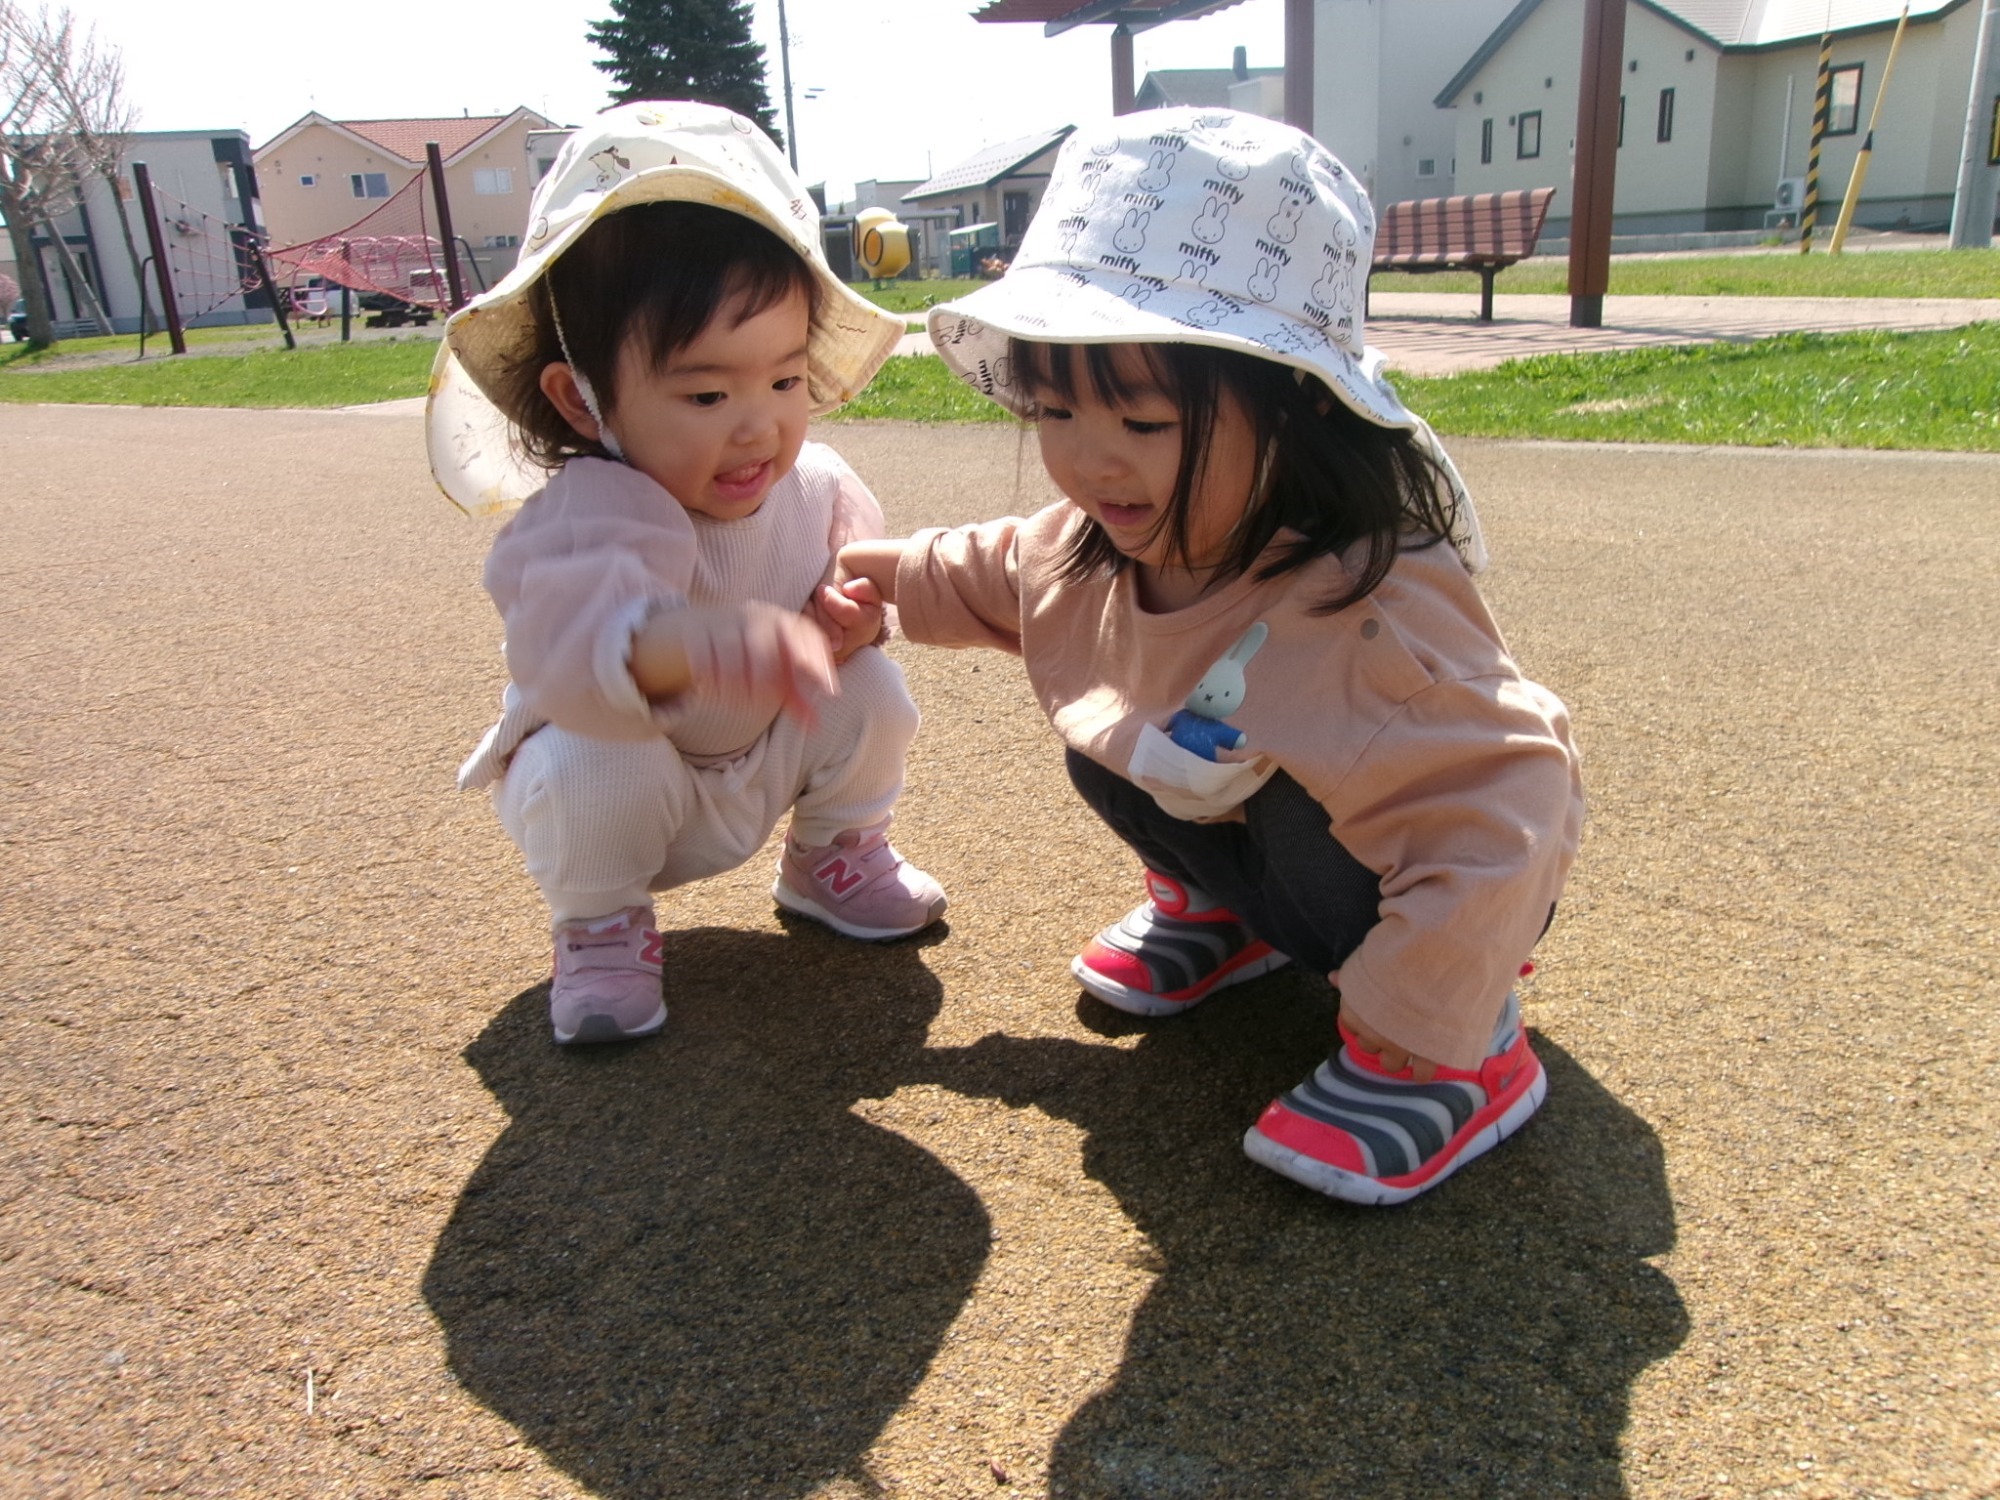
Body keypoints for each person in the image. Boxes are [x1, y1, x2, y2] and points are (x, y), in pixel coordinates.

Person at [831, 109, 1583, 1206]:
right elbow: (997, 568)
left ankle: (1458, 1061)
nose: (1090, 461)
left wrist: (1427, 1017)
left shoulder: (1368, 611)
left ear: (1290, 409)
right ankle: (1225, 917)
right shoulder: (1105, 542)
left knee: (1294, 808)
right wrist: (864, 575)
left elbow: (1507, 809)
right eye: (1055, 410)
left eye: (1141, 421)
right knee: (1103, 734)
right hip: (1258, 824)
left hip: (1441, 883)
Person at [427, 102, 945, 1047]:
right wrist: (697, 647)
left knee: (872, 691)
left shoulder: (816, 482)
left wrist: (854, 614)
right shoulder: (591, 516)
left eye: (785, 382)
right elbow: (576, 662)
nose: (760, 429)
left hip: (760, 756)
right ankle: (600, 923)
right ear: (582, 402)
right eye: (707, 394)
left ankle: (832, 852)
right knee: (587, 763)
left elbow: (858, 572)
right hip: (634, 779)